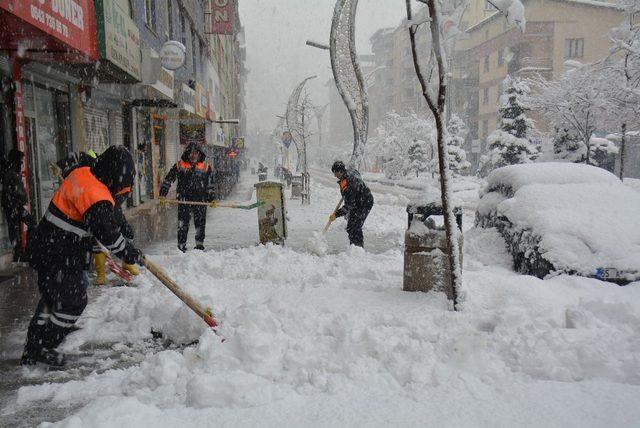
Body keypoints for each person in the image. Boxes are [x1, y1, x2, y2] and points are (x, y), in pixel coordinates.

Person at [22, 146, 143, 367]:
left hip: (48, 245)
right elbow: (107, 234)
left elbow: (106, 216)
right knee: (73, 300)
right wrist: (129, 252)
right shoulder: (96, 194)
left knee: (52, 297)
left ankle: (33, 347)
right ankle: (45, 344)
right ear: (114, 175)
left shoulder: (84, 172)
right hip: (58, 251)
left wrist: (122, 232)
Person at [159, 143, 215, 252]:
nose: (193, 155)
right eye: (191, 153)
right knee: (183, 224)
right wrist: (162, 194)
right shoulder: (180, 165)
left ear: (199, 154)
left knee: (200, 224)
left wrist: (211, 198)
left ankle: (199, 245)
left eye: (195, 153)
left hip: (200, 201)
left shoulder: (206, 167)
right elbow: (168, 179)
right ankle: (181, 246)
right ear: (187, 154)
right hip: (184, 200)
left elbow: (210, 184)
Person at [329, 160, 374, 248]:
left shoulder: (350, 182)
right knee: (350, 227)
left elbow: (350, 205)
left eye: (335, 172)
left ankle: (358, 248)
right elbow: (356, 173)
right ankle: (353, 247)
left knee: (356, 226)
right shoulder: (345, 178)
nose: (335, 175)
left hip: (364, 203)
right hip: (357, 202)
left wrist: (336, 214)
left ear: (340, 171)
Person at [1, 149, 35, 262]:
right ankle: (19, 252)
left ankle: (24, 251)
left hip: (16, 205)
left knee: (29, 223)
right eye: (20, 162)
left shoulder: (13, 172)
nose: (21, 164)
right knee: (15, 228)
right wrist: (19, 198)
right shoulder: (10, 173)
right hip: (12, 205)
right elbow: (10, 191)